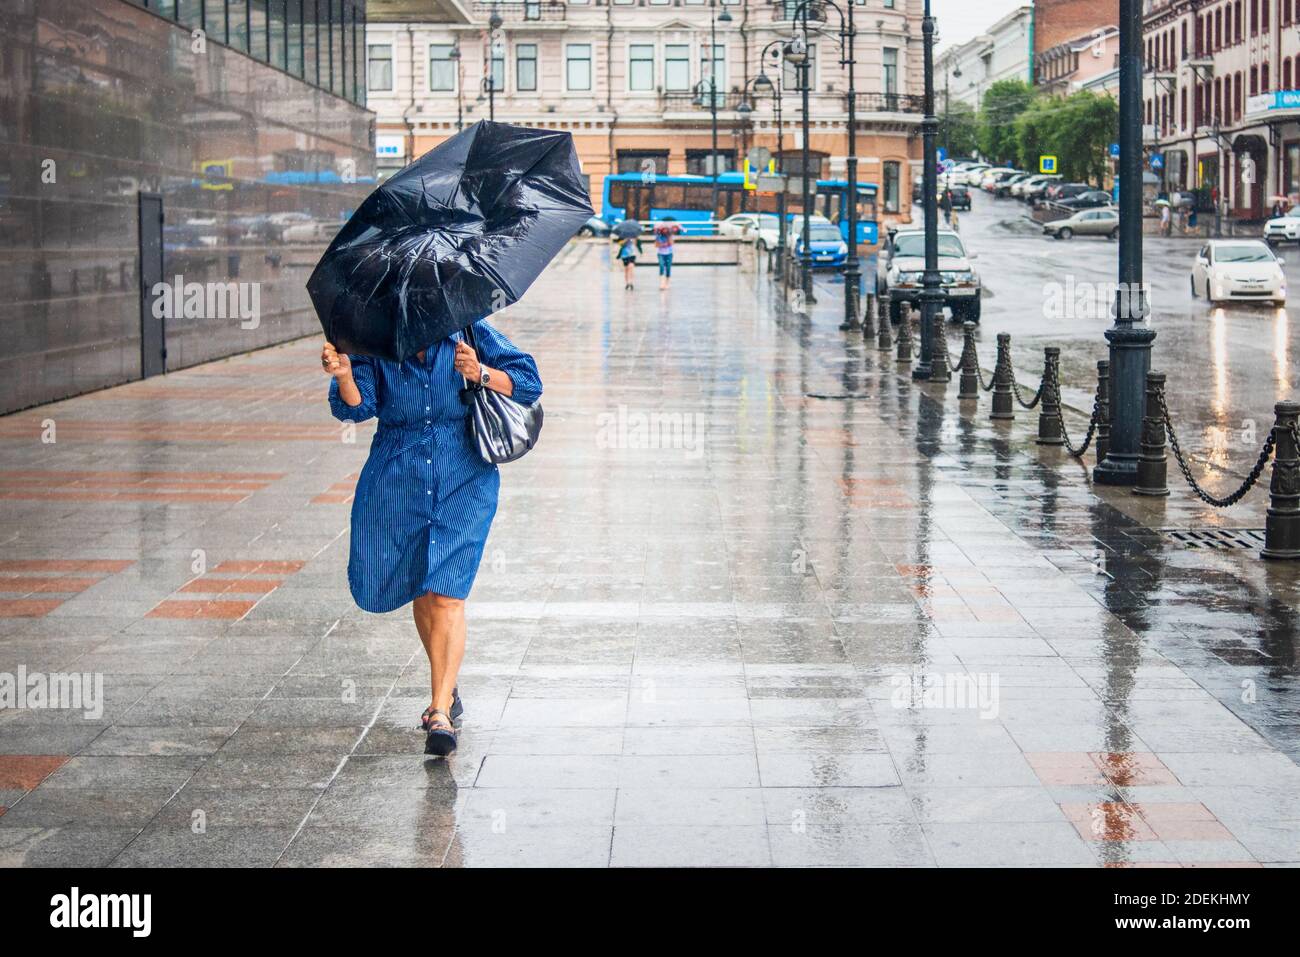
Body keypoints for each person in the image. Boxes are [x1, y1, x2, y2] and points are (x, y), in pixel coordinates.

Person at [320, 324, 542, 757]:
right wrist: (345, 374)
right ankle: (447, 682)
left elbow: (529, 382)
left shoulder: (470, 332)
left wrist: (480, 372)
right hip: (396, 479)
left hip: (465, 475)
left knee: (446, 595)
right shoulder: (373, 342)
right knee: (424, 587)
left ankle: (440, 710)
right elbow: (357, 408)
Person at [654, 221, 682, 289]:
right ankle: (662, 283)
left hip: (669, 254)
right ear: (661, 229)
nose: (665, 230)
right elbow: (656, 245)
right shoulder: (658, 236)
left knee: (668, 268)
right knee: (661, 267)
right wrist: (662, 244)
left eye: (666, 229)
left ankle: (667, 283)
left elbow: (672, 243)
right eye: (663, 229)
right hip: (661, 254)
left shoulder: (670, 235)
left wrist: (669, 238)